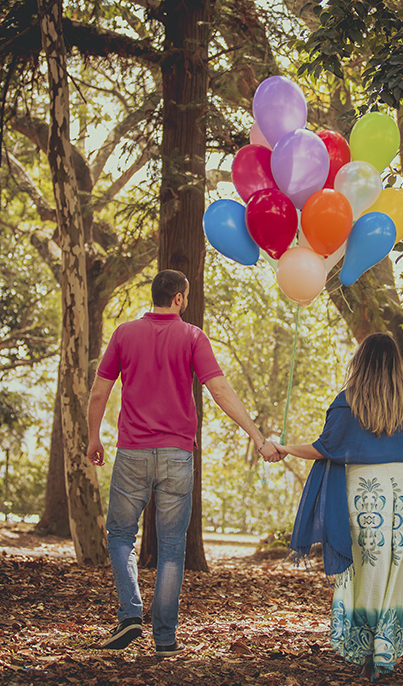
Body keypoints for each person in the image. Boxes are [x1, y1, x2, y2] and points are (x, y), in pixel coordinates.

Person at [87, 269, 281, 656]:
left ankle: (130, 614)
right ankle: (164, 638)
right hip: (177, 454)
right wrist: (257, 438)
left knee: (122, 535)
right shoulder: (192, 336)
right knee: (173, 547)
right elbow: (221, 390)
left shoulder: (124, 333)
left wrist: (94, 435)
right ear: (178, 298)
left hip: (132, 453)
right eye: (186, 297)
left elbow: (99, 390)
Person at [279, 332, 403, 681]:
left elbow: (325, 447)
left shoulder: (348, 401)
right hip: (402, 488)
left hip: (364, 490)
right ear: (395, 363)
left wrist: (285, 448)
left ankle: (368, 649)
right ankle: (386, 647)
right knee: (399, 562)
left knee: (368, 565)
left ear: (360, 362)